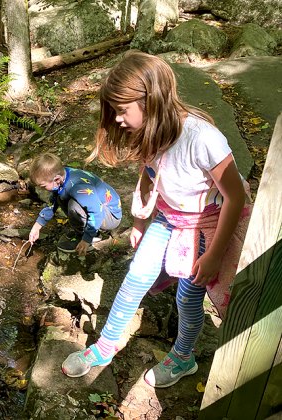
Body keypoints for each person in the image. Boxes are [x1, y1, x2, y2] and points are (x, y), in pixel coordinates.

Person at [61, 50, 251, 388]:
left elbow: (234, 197)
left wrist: (214, 255)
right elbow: (150, 175)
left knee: (188, 296)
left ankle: (183, 356)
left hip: (204, 223)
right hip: (168, 218)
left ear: (151, 100)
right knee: (136, 274)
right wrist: (139, 222)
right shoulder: (151, 130)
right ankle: (106, 346)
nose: (117, 120)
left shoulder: (202, 139)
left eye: (122, 111)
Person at [28, 152, 122, 255]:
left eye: (42, 186)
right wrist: (37, 227)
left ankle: (91, 237)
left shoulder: (77, 187)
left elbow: (96, 212)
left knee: (74, 205)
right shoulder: (63, 178)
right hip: (99, 208)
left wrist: (86, 240)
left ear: (57, 179)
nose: (41, 189)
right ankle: (82, 231)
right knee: (60, 198)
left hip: (110, 215)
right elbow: (52, 205)